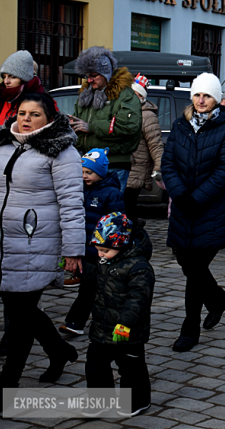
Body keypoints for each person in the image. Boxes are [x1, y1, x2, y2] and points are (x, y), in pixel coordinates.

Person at [0, 93, 85, 414]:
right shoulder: (0, 146)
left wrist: (73, 250)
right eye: (22, 112)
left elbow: (72, 204)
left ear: (50, 118)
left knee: (19, 318)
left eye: (35, 114)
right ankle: (58, 351)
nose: (26, 118)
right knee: (21, 309)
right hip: (3, 245)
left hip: (39, 243)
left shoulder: (62, 153)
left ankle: (4, 392)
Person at [161, 72, 225, 352]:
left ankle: (189, 329)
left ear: (216, 99)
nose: (201, 100)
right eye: (197, 95)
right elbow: (168, 162)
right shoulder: (180, 125)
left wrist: (197, 198)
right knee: (186, 262)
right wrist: (180, 193)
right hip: (184, 207)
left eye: (207, 95)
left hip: (211, 211)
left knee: (195, 271)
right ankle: (218, 299)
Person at [84, 212, 154, 417]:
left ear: (120, 244)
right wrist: (81, 269)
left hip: (127, 329)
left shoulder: (139, 267)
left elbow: (138, 300)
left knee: (131, 367)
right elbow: (95, 276)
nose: (100, 255)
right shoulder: (106, 260)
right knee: (95, 365)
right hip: (102, 325)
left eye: (104, 250)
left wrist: (125, 324)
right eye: (98, 250)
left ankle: (138, 400)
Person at [59, 148, 124, 334]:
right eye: (82, 172)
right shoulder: (79, 189)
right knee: (91, 288)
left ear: (101, 172)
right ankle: (80, 322)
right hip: (83, 248)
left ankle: (76, 323)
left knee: (91, 289)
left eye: (89, 172)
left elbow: (116, 223)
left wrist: (109, 248)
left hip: (99, 251)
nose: (84, 176)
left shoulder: (111, 193)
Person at [72, 47, 142, 195]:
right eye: (87, 76)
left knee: (110, 209)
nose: (89, 80)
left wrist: (91, 127)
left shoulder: (125, 95)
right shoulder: (86, 94)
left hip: (113, 164)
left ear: (106, 73)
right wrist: (72, 124)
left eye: (94, 75)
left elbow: (129, 126)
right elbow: (80, 123)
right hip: (86, 164)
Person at [125, 75, 164, 222]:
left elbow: (156, 144)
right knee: (124, 206)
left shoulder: (147, 116)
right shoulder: (125, 111)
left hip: (136, 168)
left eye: (137, 94)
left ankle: (133, 236)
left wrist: (158, 167)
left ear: (142, 96)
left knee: (128, 205)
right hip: (124, 166)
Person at [0, 50, 47, 126]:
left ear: (24, 79)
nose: (6, 81)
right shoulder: (0, 96)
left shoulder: (42, 100)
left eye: (12, 77)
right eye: (4, 77)